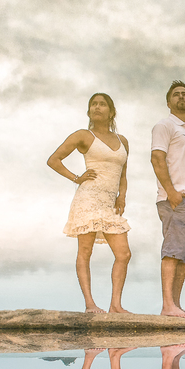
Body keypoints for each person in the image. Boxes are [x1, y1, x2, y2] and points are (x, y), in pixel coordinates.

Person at [47, 93, 133, 314]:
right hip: (88, 199)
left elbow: (123, 174)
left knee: (124, 254)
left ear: (111, 112)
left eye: (102, 104)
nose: (97, 107)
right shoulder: (83, 135)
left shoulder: (123, 141)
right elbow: (53, 160)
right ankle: (90, 304)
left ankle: (115, 305)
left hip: (109, 204)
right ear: (89, 111)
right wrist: (76, 178)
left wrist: (122, 196)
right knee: (85, 251)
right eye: (93, 104)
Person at [150, 81, 185, 318]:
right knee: (172, 251)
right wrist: (171, 191)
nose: (181, 97)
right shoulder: (165, 125)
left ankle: (176, 306)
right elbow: (157, 158)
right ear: (168, 102)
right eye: (176, 94)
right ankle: (167, 305)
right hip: (174, 199)